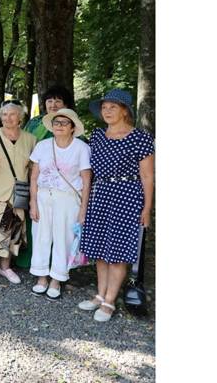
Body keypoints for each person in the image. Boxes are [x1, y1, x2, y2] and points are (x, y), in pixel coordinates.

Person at [77, 89, 154, 322]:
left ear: (124, 110)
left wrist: (147, 209)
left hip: (128, 196)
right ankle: (100, 295)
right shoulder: (97, 136)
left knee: (118, 251)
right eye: (104, 107)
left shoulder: (140, 137)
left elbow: (148, 177)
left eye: (113, 106)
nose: (107, 110)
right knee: (100, 248)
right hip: (100, 194)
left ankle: (110, 301)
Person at [28, 109, 91, 300]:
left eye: (65, 123)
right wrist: (33, 202)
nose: (59, 126)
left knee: (63, 238)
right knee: (41, 236)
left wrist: (83, 210)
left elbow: (86, 181)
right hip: (43, 197)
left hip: (68, 198)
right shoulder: (43, 145)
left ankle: (57, 279)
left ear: (72, 127)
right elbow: (34, 176)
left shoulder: (81, 148)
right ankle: (41, 276)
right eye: (56, 122)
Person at [17, 85, 76, 270]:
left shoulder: (72, 124)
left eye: (58, 101)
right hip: (33, 175)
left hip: (62, 183)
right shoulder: (35, 123)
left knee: (59, 226)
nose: (53, 104)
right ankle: (31, 260)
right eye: (50, 101)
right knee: (35, 219)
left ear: (66, 104)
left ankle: (56, 264)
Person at [0, 100, 36, 286]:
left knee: (13, 233)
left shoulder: (30, 139)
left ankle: (5, 267)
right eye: (4, 114)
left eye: (12, 114)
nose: (7, 118)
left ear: (20, 117)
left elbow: (33, 168)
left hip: (18, 195)